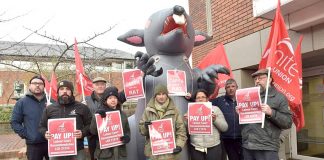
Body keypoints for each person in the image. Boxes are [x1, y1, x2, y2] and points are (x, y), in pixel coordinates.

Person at [240, 69, 292, 160]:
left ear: (270, 79)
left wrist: (271, 112)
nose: (257, 81)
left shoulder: (279, 97)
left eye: (260, 78)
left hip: (267, 147)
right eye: (255, 79)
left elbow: (288, 122)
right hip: (248, 146)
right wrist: (241, 114)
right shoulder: (250, 97)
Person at [39, 80, 92, 160]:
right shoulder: (49, 109)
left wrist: (83, 132)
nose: (64, 91)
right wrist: (44, 133)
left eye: (67, 89)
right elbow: (41, 126)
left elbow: (90, 125)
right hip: (56, 150)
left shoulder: (82, 107)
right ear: (58, 92)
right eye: (61, 89)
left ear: (71, 92)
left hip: (77, 149)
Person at [139, 84, 187, 160]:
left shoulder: (175, 111)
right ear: (155, 96)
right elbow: (142, 131)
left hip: (170, 155)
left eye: (163, 94)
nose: (161, 97)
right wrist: (145, 127)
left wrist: (179, 145)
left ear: (167, 95)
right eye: (158, 94)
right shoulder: (148, 111)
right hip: (153, 154)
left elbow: (181, 131)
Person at [11, 75, 49, 160]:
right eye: (34, 83)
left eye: (40, 83)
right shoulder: (22, 102)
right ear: (29, 86)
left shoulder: (51, 101)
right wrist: (27, 135)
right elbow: (15, 122)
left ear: (44, 86)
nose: (37, 85)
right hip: (33, 145)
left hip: (52, 143)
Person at [184, 89, 228, 160]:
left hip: (213, 147)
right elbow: (185, 131)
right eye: (198, 98)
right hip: (196, 147)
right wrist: (187, 121)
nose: (200, 99)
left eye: (203, 97)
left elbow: (225, 128)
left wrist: (215, 120)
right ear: (195, 100)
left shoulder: (215, 109)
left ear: (207, 98)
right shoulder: (190, 111)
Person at [89, 86, 130, 160]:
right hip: (105, 154)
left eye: (115, 98)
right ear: (105, 100)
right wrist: (96, 117)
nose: (113, 100)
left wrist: (127, 137)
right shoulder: (100, 114)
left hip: (120, 154)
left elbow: (127, 130)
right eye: (110, 98)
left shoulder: (123, 114)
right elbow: (93, 131)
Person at [211, 78, 242, 160]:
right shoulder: (219, 100)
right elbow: (203, 103)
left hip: (243, 138)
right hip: (227, 139)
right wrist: (190, 97)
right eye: (228, 87)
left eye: (233, 86)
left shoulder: (243, 99)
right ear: (225, 89)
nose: (231, 88)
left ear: (237, 87)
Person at [85, 77, 108, 160]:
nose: (100, 86)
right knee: (94, 157)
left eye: (102, 84)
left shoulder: (111, 98)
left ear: (105, 86)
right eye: (97, 85)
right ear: (93, 86)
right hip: (92, 137)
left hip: (108, 134)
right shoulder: (86, 100)